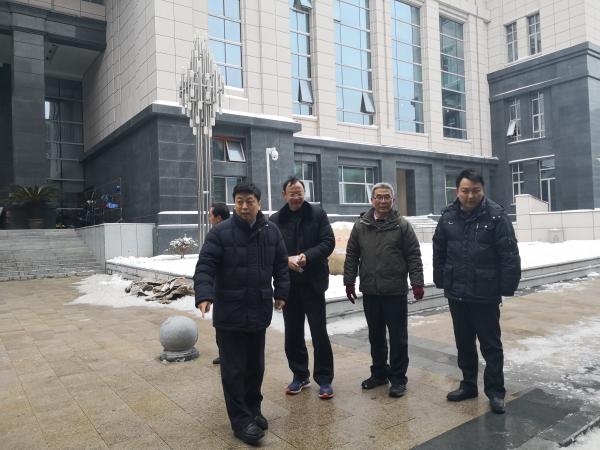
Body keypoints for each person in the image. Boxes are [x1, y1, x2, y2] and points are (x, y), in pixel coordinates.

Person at [193, 182, 290, 445]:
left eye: (249, 201)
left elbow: (281, 266)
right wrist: (204, 295)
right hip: (230, 313)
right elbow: (205, 266)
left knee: (255, 367)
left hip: (258, 310)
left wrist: (281, 293)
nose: (244, 207)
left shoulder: (271, 231)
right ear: (234, 203)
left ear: (259, 203)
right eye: (239, 202)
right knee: (234, 370)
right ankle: (240, 421)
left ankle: (253, 409)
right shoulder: (220, 232)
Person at [432, 169, 521, 415]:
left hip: (485, 292)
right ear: (457, 191)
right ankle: (468, 385)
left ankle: (495, 392)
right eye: (465, 190)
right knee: (464, 343)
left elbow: (509, 254)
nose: (470, 196)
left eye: (475, 190)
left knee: (490, 345)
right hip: (457, 292)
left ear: (482, 190)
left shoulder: (496, 216)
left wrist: (506, 287)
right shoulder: (448, 216)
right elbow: (439, 250)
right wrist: (441, 279)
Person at [343, 182, 424, 398]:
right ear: (372, 200)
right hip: (371, 290)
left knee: (398, 337)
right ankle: (379, 373)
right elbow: (352, 255)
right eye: (378, 197)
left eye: (387, 197)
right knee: (375, 336)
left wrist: (417, 282)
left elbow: (413, 255)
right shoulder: (361, 225)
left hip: (394, 291)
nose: (382, 200)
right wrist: (349, 281)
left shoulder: (402, 225)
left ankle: (398, 378)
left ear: (393, 200)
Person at [270, 176, 336, 399]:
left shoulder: (317, 214)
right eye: (292, 193)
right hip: (289, 285)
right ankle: (300, 375)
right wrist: (286, 260)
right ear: (284, 195)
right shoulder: (275, 219)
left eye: (299, 193)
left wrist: (307, 256)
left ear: (304, 193)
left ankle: (324, 378)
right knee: (293, 333)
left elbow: (328, 242)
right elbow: (271, 249)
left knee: (319, 332)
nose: (296, 197)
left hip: (313, 283)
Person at [207, 202, 230, 366]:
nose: (209, 218)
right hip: (220, 287)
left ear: (218, 218)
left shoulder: (224, 234)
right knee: (221, 325)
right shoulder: (215, 234)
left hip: (227, 288)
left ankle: (227, 355)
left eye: (211, 215)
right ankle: (224, 354)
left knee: (224, 325)